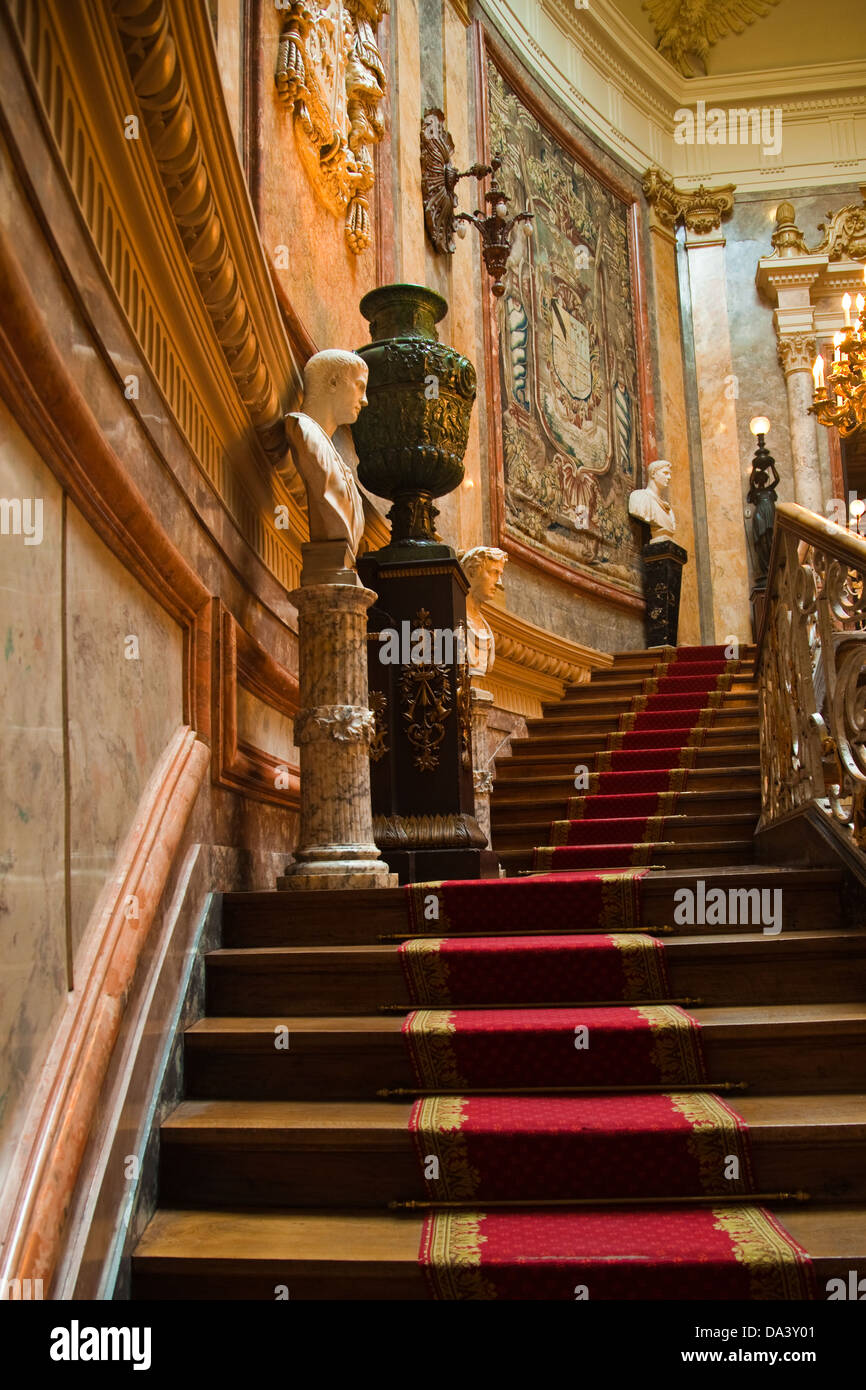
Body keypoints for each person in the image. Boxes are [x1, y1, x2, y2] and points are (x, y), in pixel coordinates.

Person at [279, 349, 369, 557]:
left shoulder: (337, 460)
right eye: (360, 386)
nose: (364, 400)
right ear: (334, 382)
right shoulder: (304, 431)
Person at [628, 459, 676, 542]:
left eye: (669, 474)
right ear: (653, 474)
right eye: (665, 473)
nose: (669, 477)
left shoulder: (669, 511)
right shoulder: (639, 497)